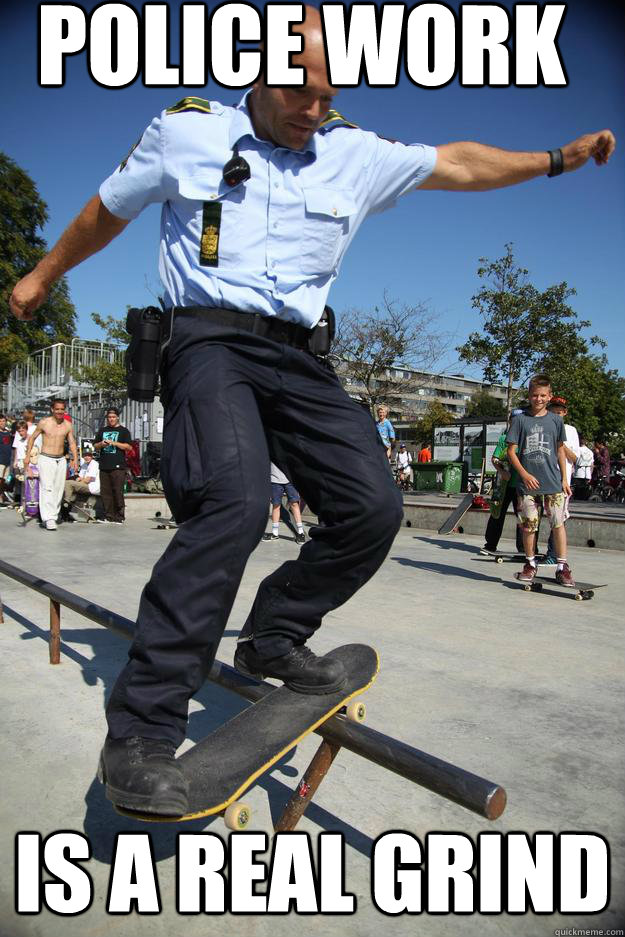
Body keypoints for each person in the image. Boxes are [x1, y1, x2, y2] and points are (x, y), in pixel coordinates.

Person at [9, 5, 614, 815]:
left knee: (372, 506)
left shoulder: (352, 151)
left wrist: (551, 159)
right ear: (255, 74)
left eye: (329, 94)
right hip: (208, 342)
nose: (314, 109)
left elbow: (458, 163)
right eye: (299, 90)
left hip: (300, 356)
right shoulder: (186, 132)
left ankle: (274, 634)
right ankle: (142, 731)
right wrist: (43, 277)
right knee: (233, 502)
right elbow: (104, 211)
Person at [507, 375, 574, 586]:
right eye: (535, 395)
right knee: (529, 526)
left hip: (553, 482)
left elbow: (560, 449)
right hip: (527, 485)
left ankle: (562, 567)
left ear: (549, 396)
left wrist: (564, 478)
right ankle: (530, 563)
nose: (539, 399)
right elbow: (511, 452)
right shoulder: (520, 420)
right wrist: (524, 475)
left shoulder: (556, 420)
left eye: (543, 395)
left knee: (558, 524)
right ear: (529, 395)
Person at [23, 399, 78, 531]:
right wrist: (27, 456)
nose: (59, 411)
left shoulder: (68, 425)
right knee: (47, 488)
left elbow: (71, 442)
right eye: (57, 409)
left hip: (61, 459)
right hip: (46, 458)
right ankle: (48, 518)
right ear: (52, 410)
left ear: (64, 410)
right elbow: (32, 438)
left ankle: (53, 514)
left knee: (58, 489)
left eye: (62, 409)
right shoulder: (44, 422)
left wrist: (75, 458)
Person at [482, 409, 525, 555]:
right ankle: (490, 544)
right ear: (510, 421)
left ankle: (524, 548)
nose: (516, 423)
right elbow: (494, 459)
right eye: (514, 420)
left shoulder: (526, 438)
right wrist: (502, 471)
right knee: (497, 513)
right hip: (504, 485)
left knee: (523, 516)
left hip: (521, 485)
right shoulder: (504, 439)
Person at [543, 397, 580, 564]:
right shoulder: (544, 426)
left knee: (558, 518)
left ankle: (554, 554)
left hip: (561, 480)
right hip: (544, 476)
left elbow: (574, 457)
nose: (556, 415)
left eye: (559, 412)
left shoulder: (570, 431)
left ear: (565, 413)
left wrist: (560, 442)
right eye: (553, 412)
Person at [93, 409, 132, 524]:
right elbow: (95, 445)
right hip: (104, 465)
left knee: (117, 491)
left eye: (113, 417)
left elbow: (129, 447)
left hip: (118, 466)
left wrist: (114, 443)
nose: (111, 419)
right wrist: (101, 444)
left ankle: (119, 517)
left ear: (117, 417)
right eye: (109, 417)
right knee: (106, 492)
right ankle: (108, 516)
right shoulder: (102, 430)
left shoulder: (124, 431)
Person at [263, 462, 306, 544]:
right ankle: (275, 534)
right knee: (276, 506)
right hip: (274, 480)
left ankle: (301, 533)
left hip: (289, 480)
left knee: (294, 504)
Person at [63, 450, 101, 516]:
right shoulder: (84, 464)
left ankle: (66, 503)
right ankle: (66, 505)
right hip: (86, 485)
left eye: (88, 455)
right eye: (85, 456)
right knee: (67, 483)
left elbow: (88, 480)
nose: (86, 457)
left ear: (92, 456)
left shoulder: (94, 464)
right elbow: (80, 477)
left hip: (92, 487)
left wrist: (78, 481)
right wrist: (79, 480)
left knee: (68, 483)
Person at [0, 414, 13, 507]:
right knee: (0, 480)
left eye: (3, 421)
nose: (2, 423)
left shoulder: (8, 433)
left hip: (7, 460)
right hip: (0, 461)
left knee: (5, 480)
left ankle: (1, 496)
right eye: (0, 421)